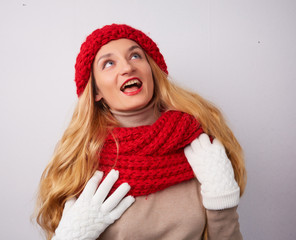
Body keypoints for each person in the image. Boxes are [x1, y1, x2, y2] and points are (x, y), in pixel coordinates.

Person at [35, 24, 247, 240]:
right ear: (96, 90)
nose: (127, 68)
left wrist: (223, 203)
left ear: (152, 71)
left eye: (135, 56)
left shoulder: (201, 147)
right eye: (108, 63)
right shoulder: (81, 163)